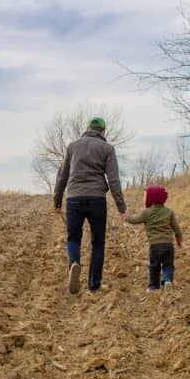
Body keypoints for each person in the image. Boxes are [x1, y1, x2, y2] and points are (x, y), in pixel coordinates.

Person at [53, 117, 127, 294]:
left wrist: (57, 201)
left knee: (73, 238)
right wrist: (121, 207)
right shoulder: (107, 148)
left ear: (87, 129)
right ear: (103, 132)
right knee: (98, 242)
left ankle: (74, 263)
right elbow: (114, 180)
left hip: (74, 199)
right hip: (97, 199)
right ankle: (94, 285)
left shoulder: (72, 146)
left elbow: (62, 176)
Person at [125, 185, 183, 291]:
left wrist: (127, 216)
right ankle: (167, 280)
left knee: (154, 266)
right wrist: (179, 241)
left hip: (155, 246)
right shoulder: (169, 212)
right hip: (168, 246)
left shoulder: (146, 212)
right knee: (168, 265)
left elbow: (134, 220)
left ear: (150, 198)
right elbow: (177, 229)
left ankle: (153, 286)